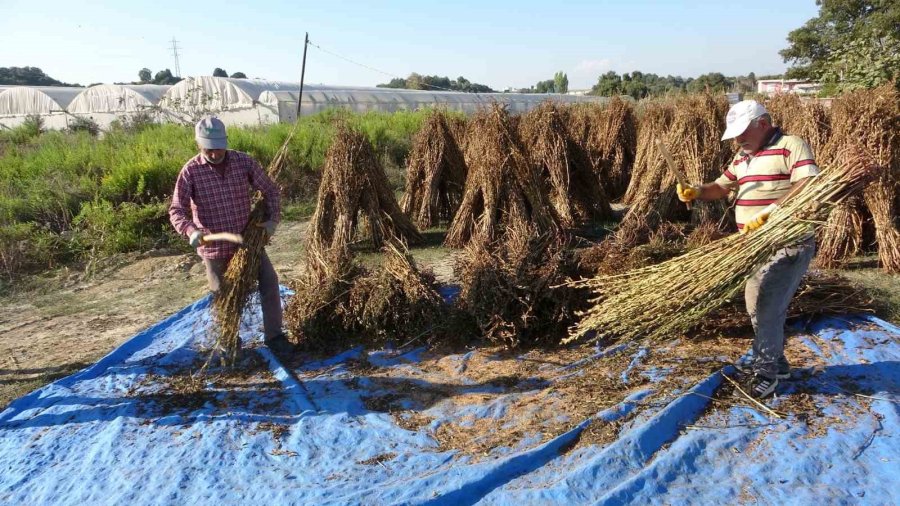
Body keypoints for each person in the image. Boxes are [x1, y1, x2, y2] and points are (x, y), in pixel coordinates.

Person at [676, 100, 819, 400]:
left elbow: (808, 182)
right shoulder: (742, 157)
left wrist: (774, 211)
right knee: (754, 302)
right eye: (735, 134)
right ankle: (778, 362)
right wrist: (697, 191)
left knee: (767, 303)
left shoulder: (791, 146)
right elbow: (722, 186)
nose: (739, 139)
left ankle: (766, 372)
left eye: (743, 132)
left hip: (787, 243)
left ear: (763, 124)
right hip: (753, 247)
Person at [169, 116, 290, 351]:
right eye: (209, 149)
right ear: (199, 145)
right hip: (213, 249)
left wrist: (272, 220)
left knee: (269, 282)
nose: (215, 153)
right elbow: (176, 209)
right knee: (223, 295)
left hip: (246, 243)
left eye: (219, 147)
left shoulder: (243, 162)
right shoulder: (190, 171)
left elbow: (271, 191)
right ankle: (229, 341)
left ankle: (275, 337)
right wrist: (190, 230)